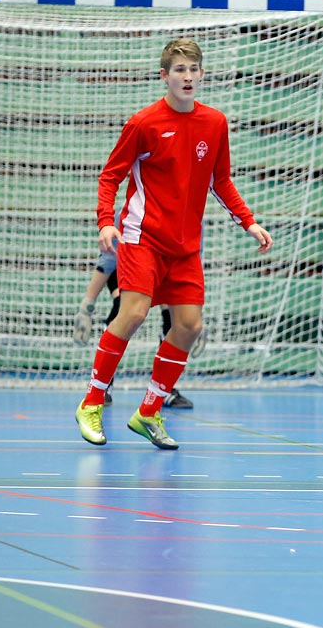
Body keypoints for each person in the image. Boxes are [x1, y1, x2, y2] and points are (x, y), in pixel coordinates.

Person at [75, 37, 271, 450]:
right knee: (135, 312)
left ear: (202, 75)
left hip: (186, 245)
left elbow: (221, 181)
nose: (187, 76)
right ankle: (92, 402)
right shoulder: (143, 123)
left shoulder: (215, 123)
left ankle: (149, 411)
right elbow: (110, 176)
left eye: (193, 69)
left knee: (189, 325)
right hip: (141, 236)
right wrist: (104, 223)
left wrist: (249, 222)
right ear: (164, 76)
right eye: (178, 70)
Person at [73, 248, 195, 409]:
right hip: (131, 258)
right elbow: (109, 253)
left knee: (174, 318)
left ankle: (163, 390)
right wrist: (87, 305)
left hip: (166, 261)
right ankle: (102, 386)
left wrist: (194, 315)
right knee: (124, 310)